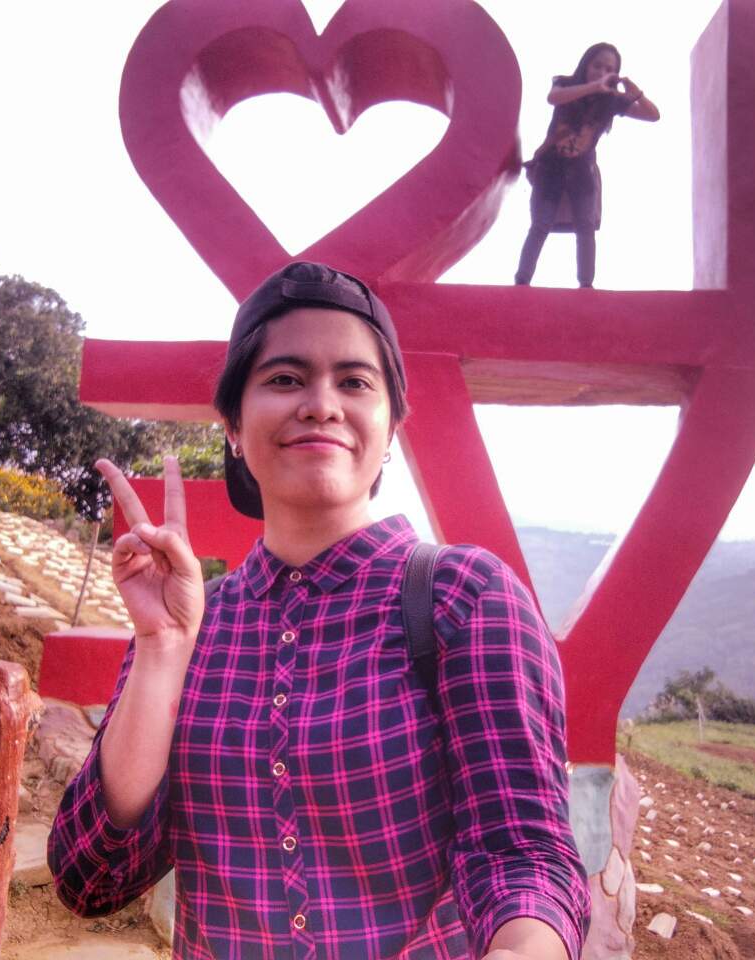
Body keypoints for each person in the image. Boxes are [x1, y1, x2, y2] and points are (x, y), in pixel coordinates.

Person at [48, 262, 590, 960]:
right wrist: (161, 650)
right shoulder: (190, 624)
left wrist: (523, 950)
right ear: (232, 425)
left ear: (391, 428)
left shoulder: (466, 598)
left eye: (355, 382)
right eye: (284, 378)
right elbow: (89, 879)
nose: (321, 404)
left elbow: (523, 852)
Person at [514, 42, 660, 289]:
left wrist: (637, 93)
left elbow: (653, 115)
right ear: (586, 65)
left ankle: (586, 285)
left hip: (582, 171)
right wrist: (595, 86)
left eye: (609, 69)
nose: (602, 72)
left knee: (586, 226)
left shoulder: (612, 101)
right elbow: (553, 98)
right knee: (540, 224)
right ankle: (522, 281)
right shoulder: (565, 84)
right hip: (550, 167)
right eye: (597, 66)